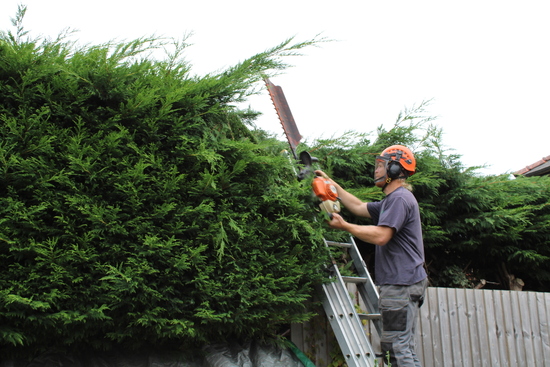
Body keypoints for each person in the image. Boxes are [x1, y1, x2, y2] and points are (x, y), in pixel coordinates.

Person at [315, 144, 428, 367]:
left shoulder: (399, 199)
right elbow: (357, 206)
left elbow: (381, 236)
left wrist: (345, 226)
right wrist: (332, 184)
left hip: (401, 283)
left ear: (395, 170)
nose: (376, 170)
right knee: (402, 347)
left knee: (397, 348)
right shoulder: (390, 202)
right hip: (404, 282)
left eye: (380, 165)